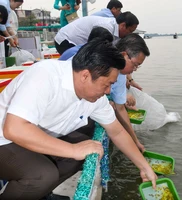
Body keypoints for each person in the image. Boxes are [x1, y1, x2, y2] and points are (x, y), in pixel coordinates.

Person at [0, 38, 157, 200]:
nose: (108, 91)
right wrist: (73, 150)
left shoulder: (95, 97)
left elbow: (117, 132)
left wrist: (144, 166)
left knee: (86, 147)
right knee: (43, 175)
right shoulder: (45, 75)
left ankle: (38, 194)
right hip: (3, 139)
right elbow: (15, 129)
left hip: (29, 136)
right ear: (85, 76)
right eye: (107, 85)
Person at [60, 31, 150, 152]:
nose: (134, 70)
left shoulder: (120, 75)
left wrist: (134, 141)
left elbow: (120, 109)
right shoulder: (91, 62)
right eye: (135, 65)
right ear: (124, 55)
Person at [54, 11, 139, 55]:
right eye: (130, 31)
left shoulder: (117, 33)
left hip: (80, 44)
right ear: (123, 25)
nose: (129, 34)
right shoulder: (106, 28)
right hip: (65, 41)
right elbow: (97, 52)